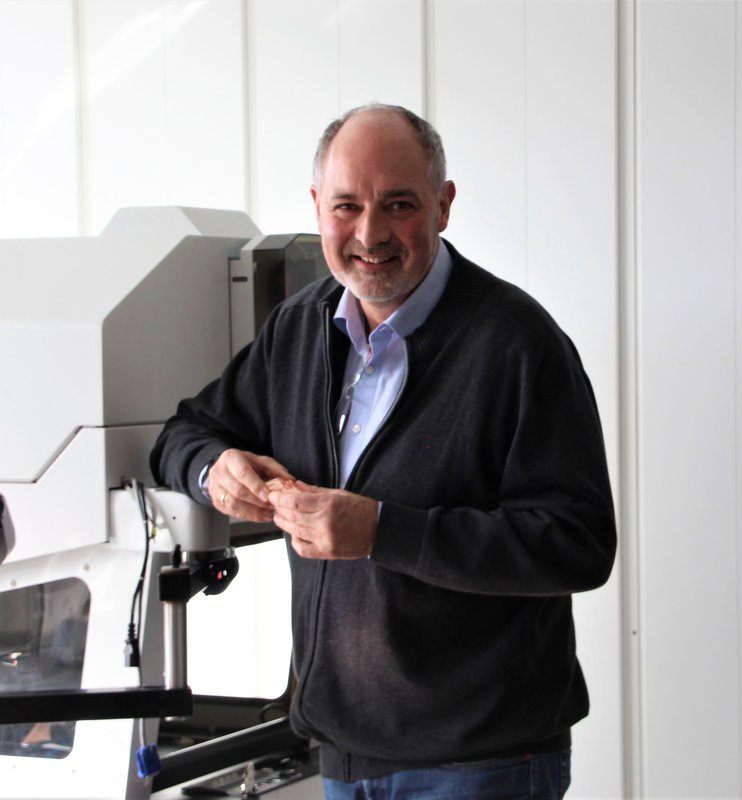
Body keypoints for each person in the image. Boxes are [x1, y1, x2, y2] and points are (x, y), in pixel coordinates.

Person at [150, 103, 616, 799]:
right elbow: (182, 435)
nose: (370, 234)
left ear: (443, 205)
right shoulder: (298, 330)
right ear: (317, 208)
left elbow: (578, 544)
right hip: (341, 755)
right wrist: (213, 470)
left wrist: (381, 531)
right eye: (347, 207)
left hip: (483, 762)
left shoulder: (519, 346)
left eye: (398, 205)